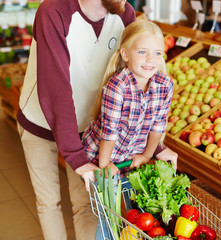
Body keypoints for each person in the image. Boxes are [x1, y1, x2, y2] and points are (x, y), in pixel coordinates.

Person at [16, 0, 176, 238]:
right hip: (40, 123)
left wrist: (155, 146)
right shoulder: (53, 10)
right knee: (50, 203)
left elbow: (135, 77)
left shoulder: (125, 13)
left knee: (86, 207)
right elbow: (55, 88)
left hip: (90, 131)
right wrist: (75, 156)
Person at [81, 19, 173, 239]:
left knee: (136, 213)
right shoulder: (117, 87)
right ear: (125, 54)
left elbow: (158, 127)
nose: (151, 59)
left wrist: (146, 155)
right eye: (142, 52)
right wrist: (105, 166)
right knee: (109, 216)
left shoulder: (164, 85)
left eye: (157, 53)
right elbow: (109, 133)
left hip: (131, 156)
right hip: (102, 155)